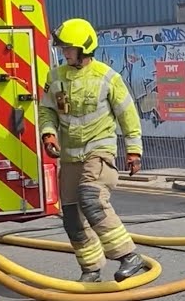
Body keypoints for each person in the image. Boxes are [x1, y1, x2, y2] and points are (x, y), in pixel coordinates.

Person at [39, 17, 147, 284]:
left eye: (69, 48)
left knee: (92, 199)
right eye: (63, 48)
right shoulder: (55, 77)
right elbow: (47, 111)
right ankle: (91, 268)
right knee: (72, 217)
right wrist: (48, 133)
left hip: (99, 151)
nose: (64, 53)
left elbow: (128, 116)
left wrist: (134, 151)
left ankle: (128, 256)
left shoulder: (107, 78)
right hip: (70, 156)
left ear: (84, 48)